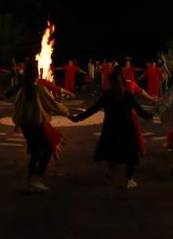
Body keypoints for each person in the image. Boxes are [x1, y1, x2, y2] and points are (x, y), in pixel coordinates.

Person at [74, 66, 152, 188]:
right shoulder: (127, 95)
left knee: (113, 148)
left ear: (110, 82)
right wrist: (149, 116)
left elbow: (94, 108)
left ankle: (111, 171)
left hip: (111, 127)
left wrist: (79, 118)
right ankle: (129, 180)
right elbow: (139, 109)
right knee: (130, 153)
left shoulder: (108, 95)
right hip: (126, 128)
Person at [13, 61, 71, 191]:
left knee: (35, 153)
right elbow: (52, 104)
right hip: (36, 125)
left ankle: (30, 180)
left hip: (25, 126)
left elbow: (18, 106)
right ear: (36, 74)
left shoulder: (23, 88)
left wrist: (17, 122)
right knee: (46, 150)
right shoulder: (38, 89)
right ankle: (36, 179)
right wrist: (67, 113)